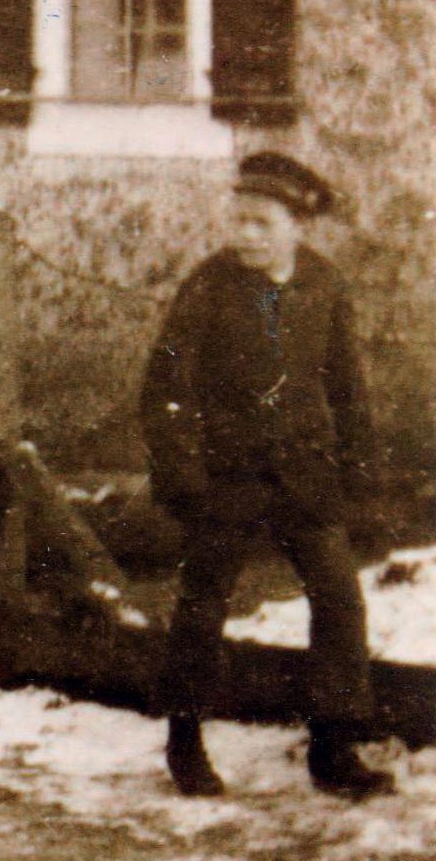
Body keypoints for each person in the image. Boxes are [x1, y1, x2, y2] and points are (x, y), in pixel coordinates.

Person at [144, 151, 394, 801]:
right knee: (202, 606)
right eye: (239, 220)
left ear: (295, 226)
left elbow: (348, 389)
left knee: (340, 600)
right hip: (226, 480)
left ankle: (334, 747)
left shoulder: (324, 284)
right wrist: (184, 473)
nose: (245, 234)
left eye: (261, 222)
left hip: (306, 476)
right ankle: (185, 741)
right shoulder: (209, 284)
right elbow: (163, 386)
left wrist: (360, 480)